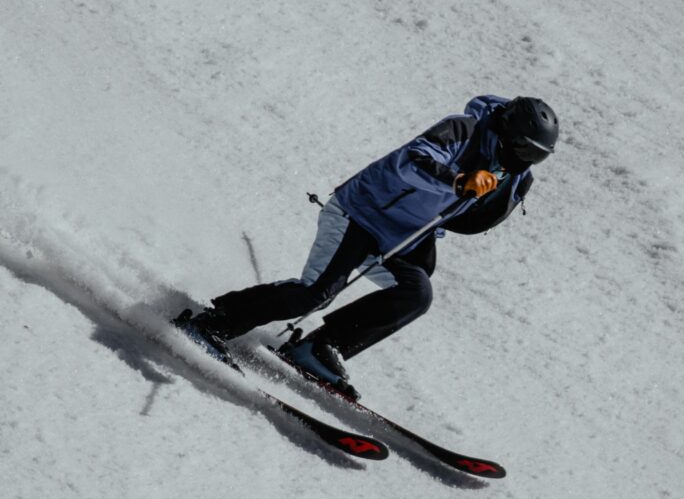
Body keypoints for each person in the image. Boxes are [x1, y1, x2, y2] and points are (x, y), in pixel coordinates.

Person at [176, 94, 559, 397]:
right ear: (508, 129)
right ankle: (212, 324)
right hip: (361, 212)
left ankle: (319, 348)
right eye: (524, 150)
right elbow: (414, 160)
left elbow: (469, 221)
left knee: (416, 294)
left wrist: (496, 192)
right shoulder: (465, 130)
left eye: (536, 157)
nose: (525, 161)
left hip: (401, 235)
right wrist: (459, 180)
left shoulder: (513, 175)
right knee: (315, 293)